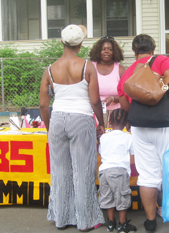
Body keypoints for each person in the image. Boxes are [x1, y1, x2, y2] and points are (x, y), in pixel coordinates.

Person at [117, 34, 169, 233]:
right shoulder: (161, 61)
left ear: (134, 51)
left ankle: (150, 221)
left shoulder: (129, 71)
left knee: (147, 175)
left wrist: (134, 118)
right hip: (167, 124)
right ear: (153, 49)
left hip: (140, 127)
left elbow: (123, 99)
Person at [39, 24, 105, 232]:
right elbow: (94, 101)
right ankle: (85, 220)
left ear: (62, 42)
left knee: (59, 171)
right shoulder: (87, 67)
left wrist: (49, 127)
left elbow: (43, 104)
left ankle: (61, 218)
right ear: (80, 44)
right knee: (83, 170)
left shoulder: (50, 69)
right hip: (81, 118)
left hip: (58, 118)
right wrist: (100, 123)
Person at [97, 109, 137, 233]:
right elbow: (133, 152)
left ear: (109, 121)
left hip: (104, 171)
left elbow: (101, 152)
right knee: (121, 197)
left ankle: (111, 222)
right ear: (126, 123)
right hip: (119, 171)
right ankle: (122, 224)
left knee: (108, 197)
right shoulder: (128, 137)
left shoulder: (104, 137)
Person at [89, 36, 126, 127]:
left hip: (116, 115)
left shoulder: (120, 70)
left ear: (115, 52)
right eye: (103, 49)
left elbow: (126, 95)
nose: (106, 51)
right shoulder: (90, 67)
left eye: (110, 49)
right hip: (93, 112)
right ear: (98, 51)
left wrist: (113, 98)